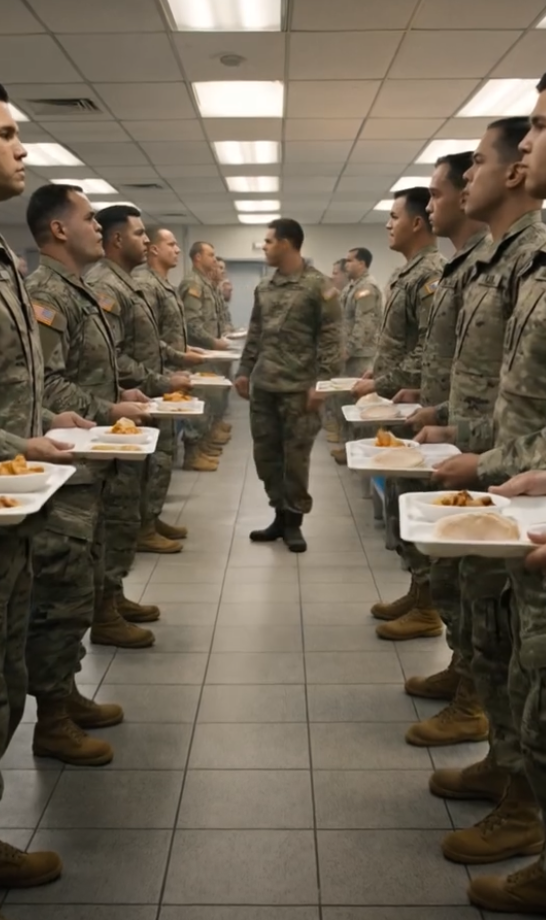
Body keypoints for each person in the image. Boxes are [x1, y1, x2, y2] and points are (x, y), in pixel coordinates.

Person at [414, 117, 546, 875]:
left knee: (525, 661)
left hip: (512, 476)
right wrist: (453, 428)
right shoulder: (509, 261)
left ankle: (522, 801)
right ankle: (507, 767)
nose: (527, 146)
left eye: (540, 128)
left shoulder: (528, 258)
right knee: (500, 641)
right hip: (509, 479)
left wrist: (487, 455)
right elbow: (499, 386)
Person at [24, 184, 152, 766]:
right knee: (60, 595)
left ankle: (67, 694)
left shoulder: (75, 288)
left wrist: (114, 397)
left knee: (77, 588)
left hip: (85, 462)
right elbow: (45, 384)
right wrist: (107, 407)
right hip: (63, 467)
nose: (99, 227)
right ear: (58, 229)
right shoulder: (47, 293)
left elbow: (81, 372)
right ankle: (51, 720)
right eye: (89, 219)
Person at [0, 80, 89, 899]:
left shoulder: (5, 265)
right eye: (5, 134)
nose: (20, 147)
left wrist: (33, 432)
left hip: (16, 500)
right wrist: (16, 442)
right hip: (15, 484)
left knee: (6, 677)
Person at [386, 154, 490, 748]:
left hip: (489, 448)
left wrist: (449, 418)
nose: (430, 206)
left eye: (436, 193)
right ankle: (463, 670)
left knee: (482, 594)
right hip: (457, 434)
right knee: (455, 577)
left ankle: (475, 702)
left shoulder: (505, 263)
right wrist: (434, 406)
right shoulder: (464, 266)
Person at [86, 206, 190, 639]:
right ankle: (104, 610)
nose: (146, 241)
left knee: (125, 510)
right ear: (117, 240)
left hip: (131, 405)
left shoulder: (127, 283)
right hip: (109, 413)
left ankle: (112, 596)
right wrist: (159, 381)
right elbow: (113, 356)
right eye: (139, 234)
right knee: (115, 514)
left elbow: (138, 346)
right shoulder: (106, 285)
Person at [352, 188, 446, 639]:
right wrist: (381, 371)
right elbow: (401, 342)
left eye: (394, 216)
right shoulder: (407, 272)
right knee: (400, 499)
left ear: (417, 222)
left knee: (414, 499)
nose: (388, 224)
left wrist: (383, 382)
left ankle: (427, 606)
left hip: (418, 405)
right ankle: (417, 588)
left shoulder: (431, 274)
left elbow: (430, 349)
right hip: (404, 402)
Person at [235, 218, 342, 553]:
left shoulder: (319, 286)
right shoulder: (264, 287)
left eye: (268, 241)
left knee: (296, 459)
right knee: (266, 456)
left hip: (299, 388)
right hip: (264, 386)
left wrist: (323, 383)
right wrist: (244, 370)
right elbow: (255, 332)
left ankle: (294, 521)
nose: (264, 247)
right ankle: (279, 515)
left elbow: (332, 338)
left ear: (287, 243)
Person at [136, 227, 204, 544]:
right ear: (153, 249)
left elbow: (162, 336)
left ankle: (151, 518)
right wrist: (178, 357)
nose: (178, 249)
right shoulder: (145, 285)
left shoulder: (164, 284)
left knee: (163, 454)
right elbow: (146, 340)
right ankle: (144, 527)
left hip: (166, 377)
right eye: (171, 244)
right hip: (150, 380)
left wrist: (182, 354)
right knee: (155, 458)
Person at [179, 242, 232, 472]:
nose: (214, 259)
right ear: (198, 257)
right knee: (199, 402)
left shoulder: (205, 284)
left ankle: (202, 445)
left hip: (210, 354)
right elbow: (191, 324)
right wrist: (213, 342)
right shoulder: (192, 283)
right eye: (210, 254)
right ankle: (192, 454)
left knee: (209, 400)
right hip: (199, 355)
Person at [329, 247, 382, 465]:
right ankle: (348, 446)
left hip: (360, 357)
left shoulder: (366, 289)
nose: (346, 265)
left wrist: (347, 350)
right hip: (350, 356)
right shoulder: (352, 287)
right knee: (345, 402)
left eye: (350, 261)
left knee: (360, 406)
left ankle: (361, 451)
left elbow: (365, 325)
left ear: (362, 263)